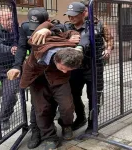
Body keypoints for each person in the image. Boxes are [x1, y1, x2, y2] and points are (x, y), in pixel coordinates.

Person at [30, 1, 114, 134]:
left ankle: (93, 125)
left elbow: (110, 39)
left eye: (74, 15)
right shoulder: (66, 26)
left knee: (94, 97)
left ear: (84, 13)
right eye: (69, 15)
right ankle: (81, 118)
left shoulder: (98, 24)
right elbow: (54, 26)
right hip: (74, 68)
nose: (71, 18)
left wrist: (108, 49)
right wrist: (46, 28)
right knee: (74, 95)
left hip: (94, 67)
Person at [20, 21, 83, 149]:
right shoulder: (38, 44)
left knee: (67, 107)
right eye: (63, 68)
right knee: (41, 110)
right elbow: (47, 24)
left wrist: (78, 43)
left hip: (59, 80)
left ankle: (66, 126)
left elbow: (71, 32)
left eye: (69, 70)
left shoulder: (67, 46)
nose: (66, 71)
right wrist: (46, 30)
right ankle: (49, 137)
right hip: (38, 80)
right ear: (57, 59)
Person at [6, 7, 50, 149]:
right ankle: (35, 132)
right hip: (34, 70)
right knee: (36, 103)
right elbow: (21, 47)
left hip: (51, 70)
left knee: (51, 102)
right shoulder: (25, 28)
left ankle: (49, 132)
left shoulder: (54, 26)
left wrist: (47, 30)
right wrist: (16, 66)